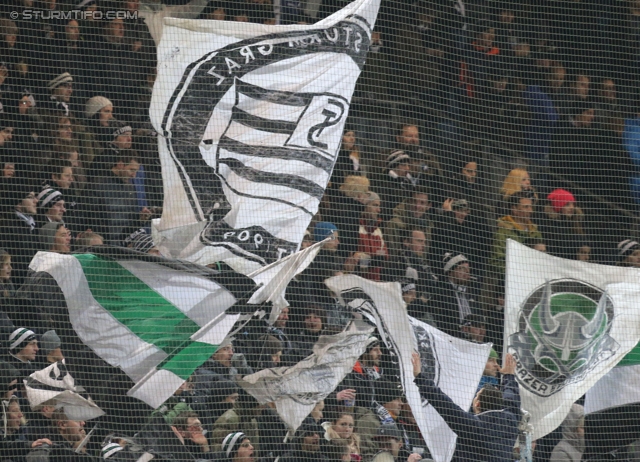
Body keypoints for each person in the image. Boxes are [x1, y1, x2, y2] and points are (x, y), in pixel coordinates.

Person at [412, 352, 520, 462]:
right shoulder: (511, 421)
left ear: (477, 404)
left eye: (477, 395)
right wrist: (509, 376)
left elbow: (443, 404)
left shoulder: (473, 426)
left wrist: (420, 378)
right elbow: (511, 398)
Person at [430, 253, 479, 338]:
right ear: (450, 271)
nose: (467, 272)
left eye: (468, 269)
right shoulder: (441, 293)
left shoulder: (470, 294)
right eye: (462, 269)